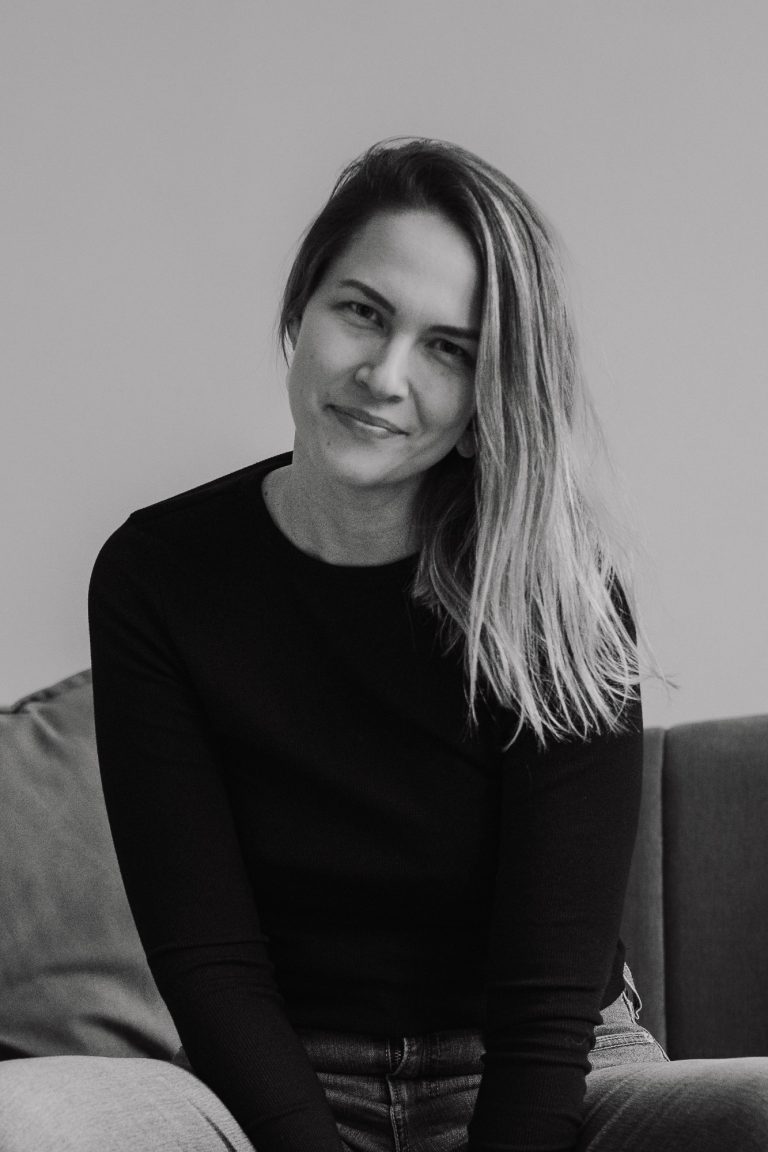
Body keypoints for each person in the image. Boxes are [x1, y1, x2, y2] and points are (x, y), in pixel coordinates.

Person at [2, 137, 767, 1152]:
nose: (385, 375)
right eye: (363, 311)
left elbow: (547, 1006)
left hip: (549, 1069)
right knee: (24, 1119)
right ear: (301, 306)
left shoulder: (555, 592)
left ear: (489, 393)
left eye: (449, 348)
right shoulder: (160, 574)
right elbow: (211, 964)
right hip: (268, 1082)